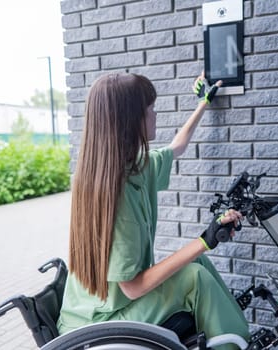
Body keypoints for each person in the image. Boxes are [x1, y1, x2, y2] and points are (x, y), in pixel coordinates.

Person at [56, 72, 250, 349]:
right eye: (150, 109)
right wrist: (205, 240)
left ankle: (234, 337)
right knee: (194, 277)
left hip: (98, 308)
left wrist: (204, 102)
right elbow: (132, 287)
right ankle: (233, 345)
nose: (155, 115)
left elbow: (176, 147)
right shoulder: (118, 194)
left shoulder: (134, 167)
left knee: (197, 264)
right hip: (97, 322)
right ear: (129, 121)